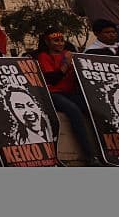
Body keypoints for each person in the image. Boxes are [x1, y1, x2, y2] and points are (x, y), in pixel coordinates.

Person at [34, 26, 103, 165]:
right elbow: (53, 79)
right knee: (74, 111)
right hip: (53, 94)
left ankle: (106, 151)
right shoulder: (44, 56)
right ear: (47, 42)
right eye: (55, 40)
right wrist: (66, 62)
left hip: (71, 92)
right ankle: (90, 156)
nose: (60, 43)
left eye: (61, 40)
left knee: (96, 109)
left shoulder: (69, 53)